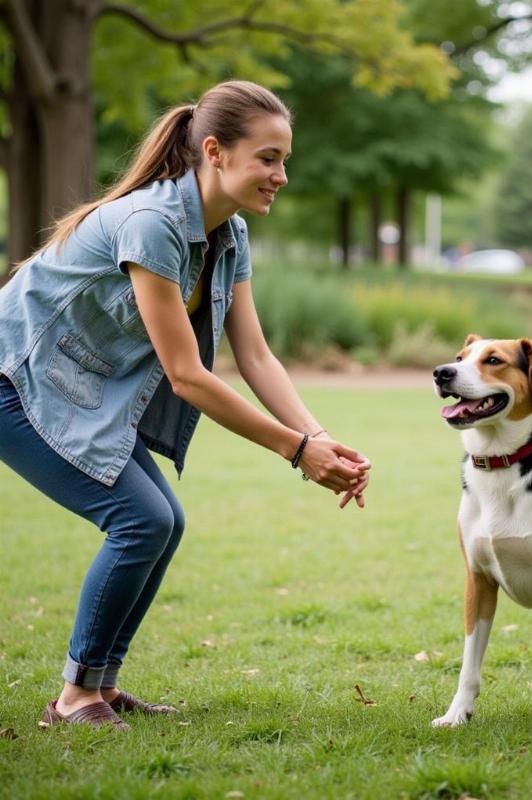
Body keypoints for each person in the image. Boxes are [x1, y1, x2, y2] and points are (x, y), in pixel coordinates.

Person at [0, 80, 371, 731]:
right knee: (141, 520)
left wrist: (319, 436)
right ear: (214, 151)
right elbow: (186, 376)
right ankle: (74, 697)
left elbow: (255, 356)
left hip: (73, 388)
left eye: (285, 159)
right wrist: (296, 451)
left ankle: (100, 688)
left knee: (162, 520)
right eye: (268, 158)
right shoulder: (153, 225)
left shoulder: (227, 233)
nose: (281, 175)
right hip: (14, 378)